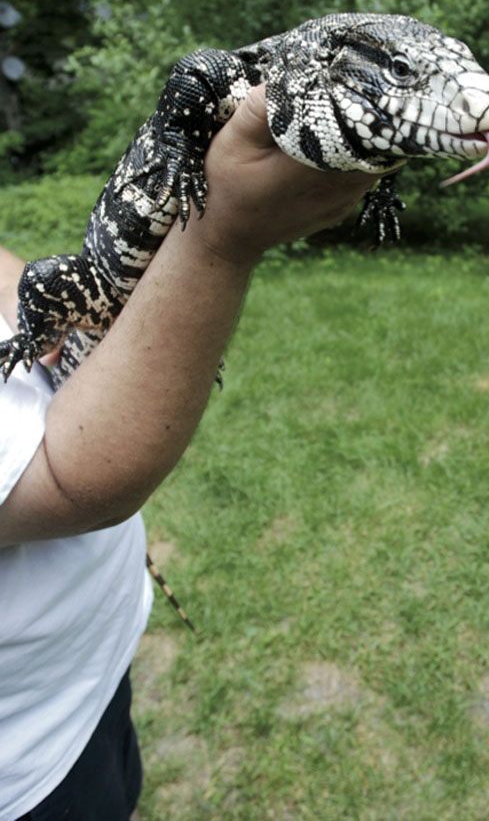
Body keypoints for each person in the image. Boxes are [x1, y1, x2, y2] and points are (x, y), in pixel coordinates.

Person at [0, 85, 377, 821]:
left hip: (88, 664)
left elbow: (24, 284)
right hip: (23, 759)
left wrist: (39, 318)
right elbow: (74, 481)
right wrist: (220, 237)